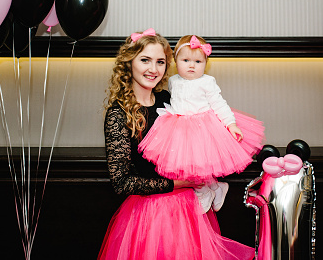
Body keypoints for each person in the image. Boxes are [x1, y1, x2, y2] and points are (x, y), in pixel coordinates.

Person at [98, 29, 255, 260]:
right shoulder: (118, 115)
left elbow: (206, 127)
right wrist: (178, 183)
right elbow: (121, 182)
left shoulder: (170, 100)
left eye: (160, 62)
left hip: (188, 211)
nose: (153, 69)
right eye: (145, 60)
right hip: (148, 216)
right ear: (129, 62)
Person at [139, 35, 265, 213]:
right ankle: (213, 188)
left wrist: (231, 124)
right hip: (178, 128)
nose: (192, 65)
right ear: (175, 61)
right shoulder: (173, 81)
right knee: (188, 165)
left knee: (202, 163)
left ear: (205, 63)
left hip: (202, 127)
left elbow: (219, 103)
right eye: (186, 60)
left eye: (198, 61)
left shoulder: (207, 82)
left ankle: (206, 190)